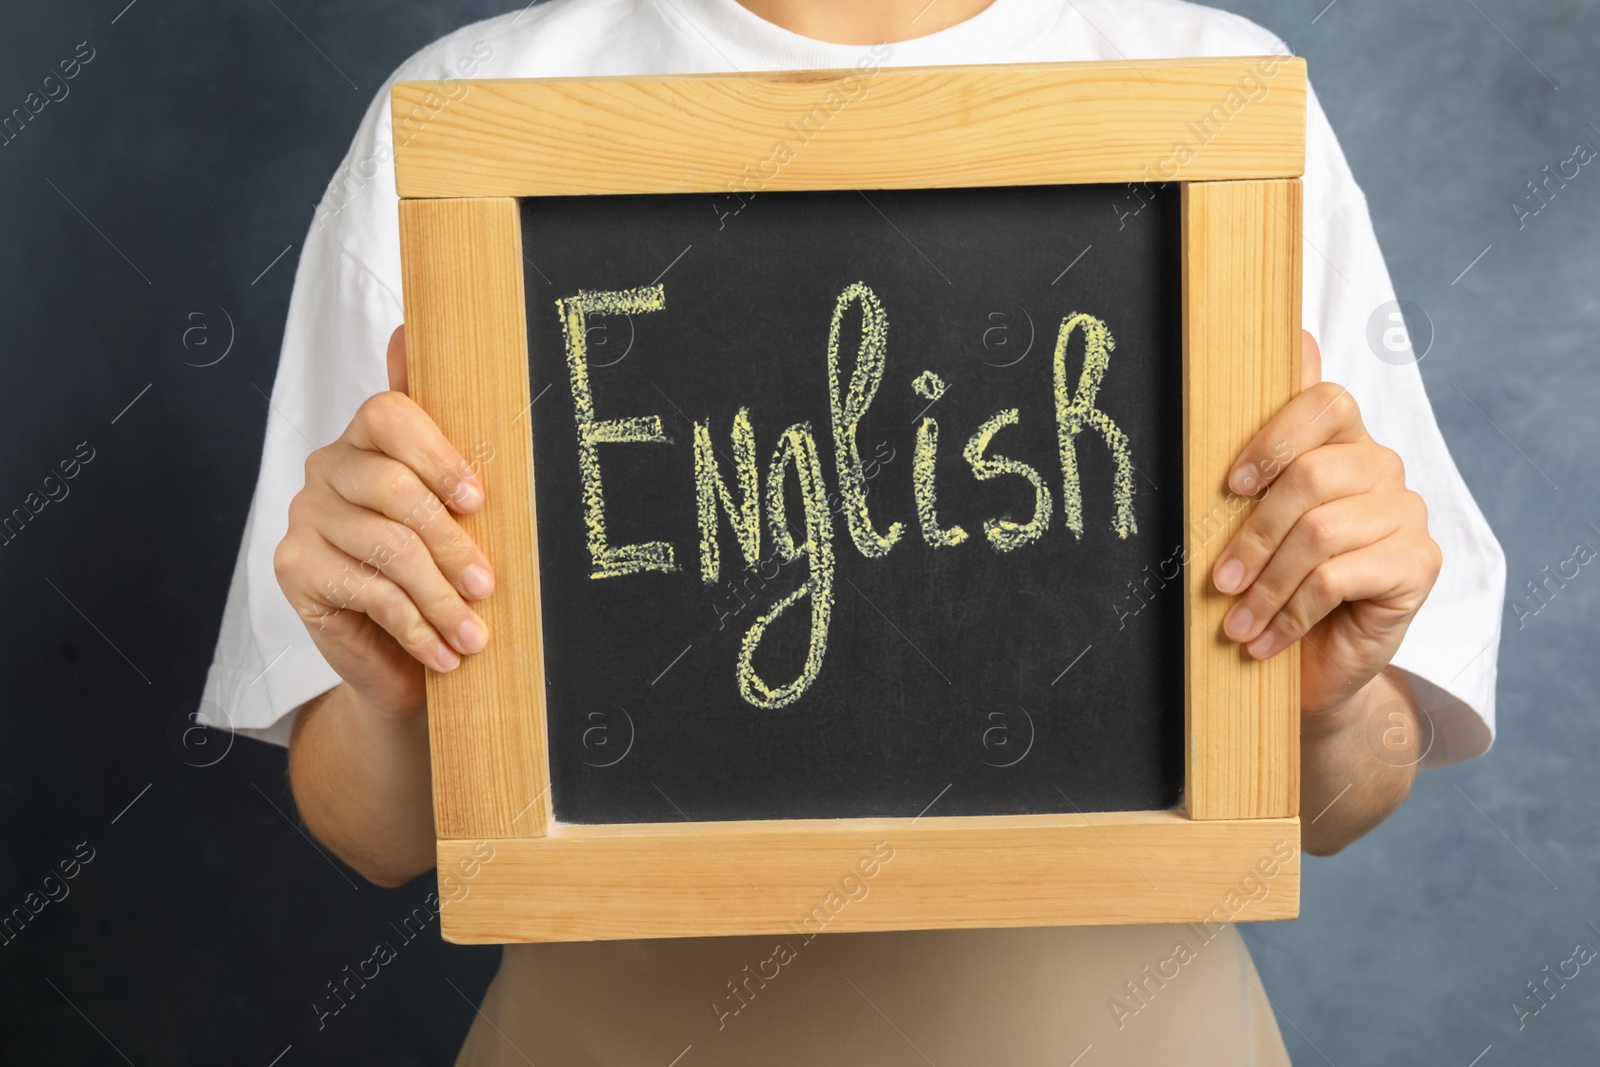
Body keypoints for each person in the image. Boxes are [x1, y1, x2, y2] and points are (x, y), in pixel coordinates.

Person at [199, 0, 1506, 1062]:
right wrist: (386, 690)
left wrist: (1333, 706)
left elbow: (1344, 795)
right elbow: (371, 831)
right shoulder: (473, 115)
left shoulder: (1210, 94)